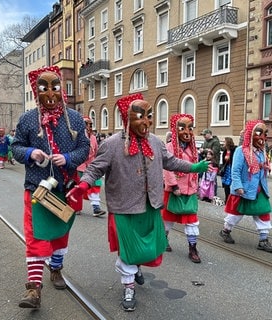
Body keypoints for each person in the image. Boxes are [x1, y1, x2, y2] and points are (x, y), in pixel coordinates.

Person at [66, 94, 209, 312]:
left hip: (150, 205)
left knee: (148, 249)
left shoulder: (155, 142)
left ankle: (136, 269)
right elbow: (95, 168)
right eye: (139, 117)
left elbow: (170, 161)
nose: (145, 122)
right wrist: (84, 184)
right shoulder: (112, 144)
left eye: (149, 116)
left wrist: (193, 167)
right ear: (127, 119)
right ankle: (128, 287)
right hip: (124, 207)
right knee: (129, 251)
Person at [11, 66, 90, 309]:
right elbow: (15, 148)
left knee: (61, 234)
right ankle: (34, 289)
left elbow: (85, 149)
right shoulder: (27, 119)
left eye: (55, 87)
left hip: (65, 187)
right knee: (35, 236)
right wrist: (30, 152)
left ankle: (56, 269)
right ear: (37, 91)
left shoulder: (75, 118)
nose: (50, 93)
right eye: (44, 88)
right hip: (37, 189)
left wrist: (67, 158)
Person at [219, 120, 272, 253]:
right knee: (236, 214)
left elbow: (261, 170)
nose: (262, 138)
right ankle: (225, 230)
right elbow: (235, 171)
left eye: (265, 134)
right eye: (259, 133)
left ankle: (263, 240)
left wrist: (265, 167)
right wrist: (238, 186)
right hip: (243, 190)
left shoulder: (261, 152)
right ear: (251, 134)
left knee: (263, 213)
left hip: (259, 190)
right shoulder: (240, 151)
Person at [162, 114, 202, 263]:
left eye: (190, 128)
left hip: (189, 190)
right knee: (168, 219)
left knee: (192, 221)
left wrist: (195, 185)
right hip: (175, 190)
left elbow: (194, 168)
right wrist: (173, 186)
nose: (187, 131)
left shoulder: (193, 148)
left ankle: (192, 247)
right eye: (182, 128)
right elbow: (167, 168)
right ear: (175, 130)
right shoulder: (170, 146)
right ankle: (163, 239)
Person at [76, 116, 106, 217]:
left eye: (90, 124)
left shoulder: (93, 137)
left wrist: (98, 163)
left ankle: (96, 208)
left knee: (95, 186)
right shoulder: (77, 136)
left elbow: (97, 152)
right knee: (79, 188)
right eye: (86, 124)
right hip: (79, 167)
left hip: (92, 167)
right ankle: (76, 207)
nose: (88, 126)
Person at [220, 137, 236, 203]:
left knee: (230, 185)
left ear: (228, 142)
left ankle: (231, 200)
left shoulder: (234, 150)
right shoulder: (225, 151)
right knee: (226, 185)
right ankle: (227, 199)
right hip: (226, 169)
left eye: (224, 141)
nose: (223, 143)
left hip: (231, 169)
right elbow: (223, 161)